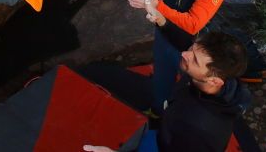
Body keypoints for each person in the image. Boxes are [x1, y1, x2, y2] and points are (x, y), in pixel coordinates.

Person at [117, 0, 234, 115]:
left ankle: (187, 121)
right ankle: (158, 111)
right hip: (163, 26)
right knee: (163, 70)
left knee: (189, 80)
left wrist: (156, 4)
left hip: (192, 44)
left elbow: (192, 23)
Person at [81, 31, 252, 152]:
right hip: (166, 132)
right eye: (192, 48)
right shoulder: (210, 79)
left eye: (194, 60)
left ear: (214, 80)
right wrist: (160, 18)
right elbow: (183, 43)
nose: (184, 54)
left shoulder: (201, 131)